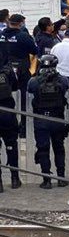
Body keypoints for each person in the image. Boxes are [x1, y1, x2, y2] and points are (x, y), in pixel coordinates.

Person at [27, 54, 68, 188]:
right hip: (57, 119)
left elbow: (30, 90)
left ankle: (47, 180)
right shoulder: (63, 80)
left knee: (43, 149)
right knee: (59, 148)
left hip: (41, 120)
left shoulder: (34, 81)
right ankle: (61, 178)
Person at [0, 53, 19, 190]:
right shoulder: (8, 71)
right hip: (7, 112)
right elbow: (15, 87)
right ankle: (14, 178)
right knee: (11, 145)